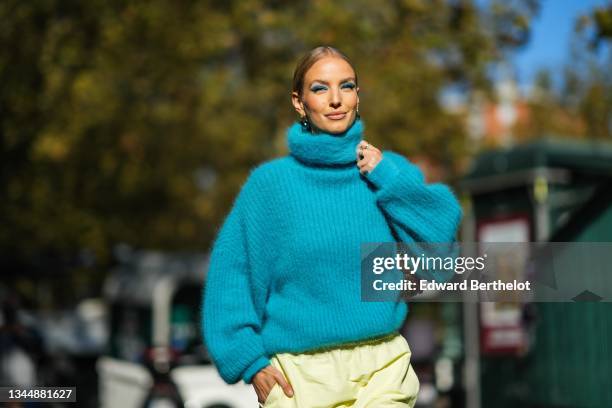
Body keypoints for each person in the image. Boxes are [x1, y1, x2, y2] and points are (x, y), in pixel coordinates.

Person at [201, 46, 462, 407]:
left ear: (358, 95)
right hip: (299, 378)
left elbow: (441, 256)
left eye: (347, 86)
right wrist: (249, 360)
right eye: (320, 88)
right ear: (299, 101)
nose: (336, 99)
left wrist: (386, 177)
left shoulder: (388, 172)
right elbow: (232, 276)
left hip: (383, 366)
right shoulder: (270, 186)